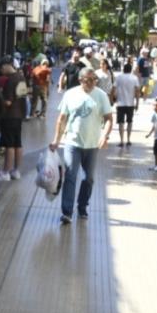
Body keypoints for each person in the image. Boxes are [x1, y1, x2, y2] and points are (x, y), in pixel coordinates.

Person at [51, 68, 114, 224]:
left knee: (89, 178)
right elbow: (62, 119)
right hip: (73, 142)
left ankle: (82, 206)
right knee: (70, 177)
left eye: (94, 80)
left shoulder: (101, 95)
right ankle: (67, 212)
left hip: (92, 145)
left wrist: (105, 136)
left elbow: (108, 119)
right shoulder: (70, 94)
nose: (92, 83)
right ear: (80, 80)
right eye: (88, 80)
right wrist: (56, 140)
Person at [0, 61, 27, 181]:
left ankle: (6, 172)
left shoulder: (10, 81)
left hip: (9, 116)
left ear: (6, 66)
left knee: (9, 144)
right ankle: (16, 171)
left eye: (2, 69)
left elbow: (8, 102)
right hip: (19, 114)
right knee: (17, 143)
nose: (2, 72)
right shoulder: (21, 77)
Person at [113, 62, 141, 147]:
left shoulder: (118, 78)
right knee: (129, 122)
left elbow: (113, 88)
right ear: (131, 69)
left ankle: (121, 141)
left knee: (121, 123)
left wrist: (112, 99)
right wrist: (137, 103)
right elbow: (137, 91)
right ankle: (128, 140)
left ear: (123, 69)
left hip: (120, 103)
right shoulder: (134, 78)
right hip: (130, 103)